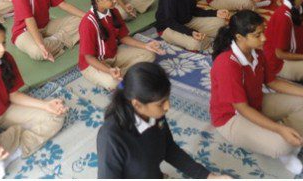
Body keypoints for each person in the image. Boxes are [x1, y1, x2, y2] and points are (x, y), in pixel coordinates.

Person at [210, 10, 303, 175]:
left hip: (256, 103)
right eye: (257, 35)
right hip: (231, 118)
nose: (264, 38)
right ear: (240, 37)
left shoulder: (257, 52)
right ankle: (286, 147)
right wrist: (279, 129)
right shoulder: (226, 64)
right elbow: (242, 109)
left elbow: (273, 82)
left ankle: (292, 144)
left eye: (263, 32)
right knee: (281, 144)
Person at [0, 20, 66, 179]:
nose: (2, 49)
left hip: (6, 110)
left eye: (3, 43)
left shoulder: (6, 59)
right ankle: (14, 135)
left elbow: (13, 95)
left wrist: (46, 105)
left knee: (57, 115)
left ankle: (15, 151)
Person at [97, 62, 228, 179]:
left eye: (167, 98)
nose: (167, 107)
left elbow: (169, 149)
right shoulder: (110, 137)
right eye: (161, 103)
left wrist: (209, 176)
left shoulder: (155, 115)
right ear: (137, 104)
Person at [79, 0, 163, 90]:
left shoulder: (114, 12)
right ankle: (118, 73)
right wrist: (108, 70)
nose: (115, 1)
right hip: (93, 64)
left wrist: (146, 45)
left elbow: (123, 37)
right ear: (98, 0)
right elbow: (89, 58)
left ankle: (119, 73)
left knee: (149, 54)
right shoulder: (87, 23)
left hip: (113, 55)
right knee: (113, 83)